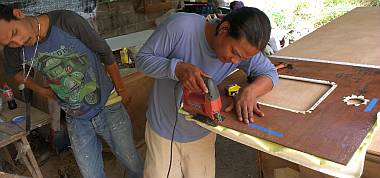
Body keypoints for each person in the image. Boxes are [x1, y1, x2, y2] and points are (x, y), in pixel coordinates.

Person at [0, 4, 143, 178]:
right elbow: (14, 72)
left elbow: (105, 53)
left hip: (107, 104)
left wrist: (121, 88)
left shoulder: (66, 22)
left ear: (18, 14)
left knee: (131, 162)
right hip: (75, 116)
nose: (18, 42)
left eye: (15, 33)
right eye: (9, 43)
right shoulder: (14, 50)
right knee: (91, 174)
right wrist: (42, 91)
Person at [136, 7, 278, 178]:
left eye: (243, 59)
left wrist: (250, 91)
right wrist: (177, 68)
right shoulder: (181, 26)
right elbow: (142, 60)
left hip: (202, 131)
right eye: (234, 53)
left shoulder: (244, 49)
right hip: (163, 131)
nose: (235, 61)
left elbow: (270, 73)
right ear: (224, 28)